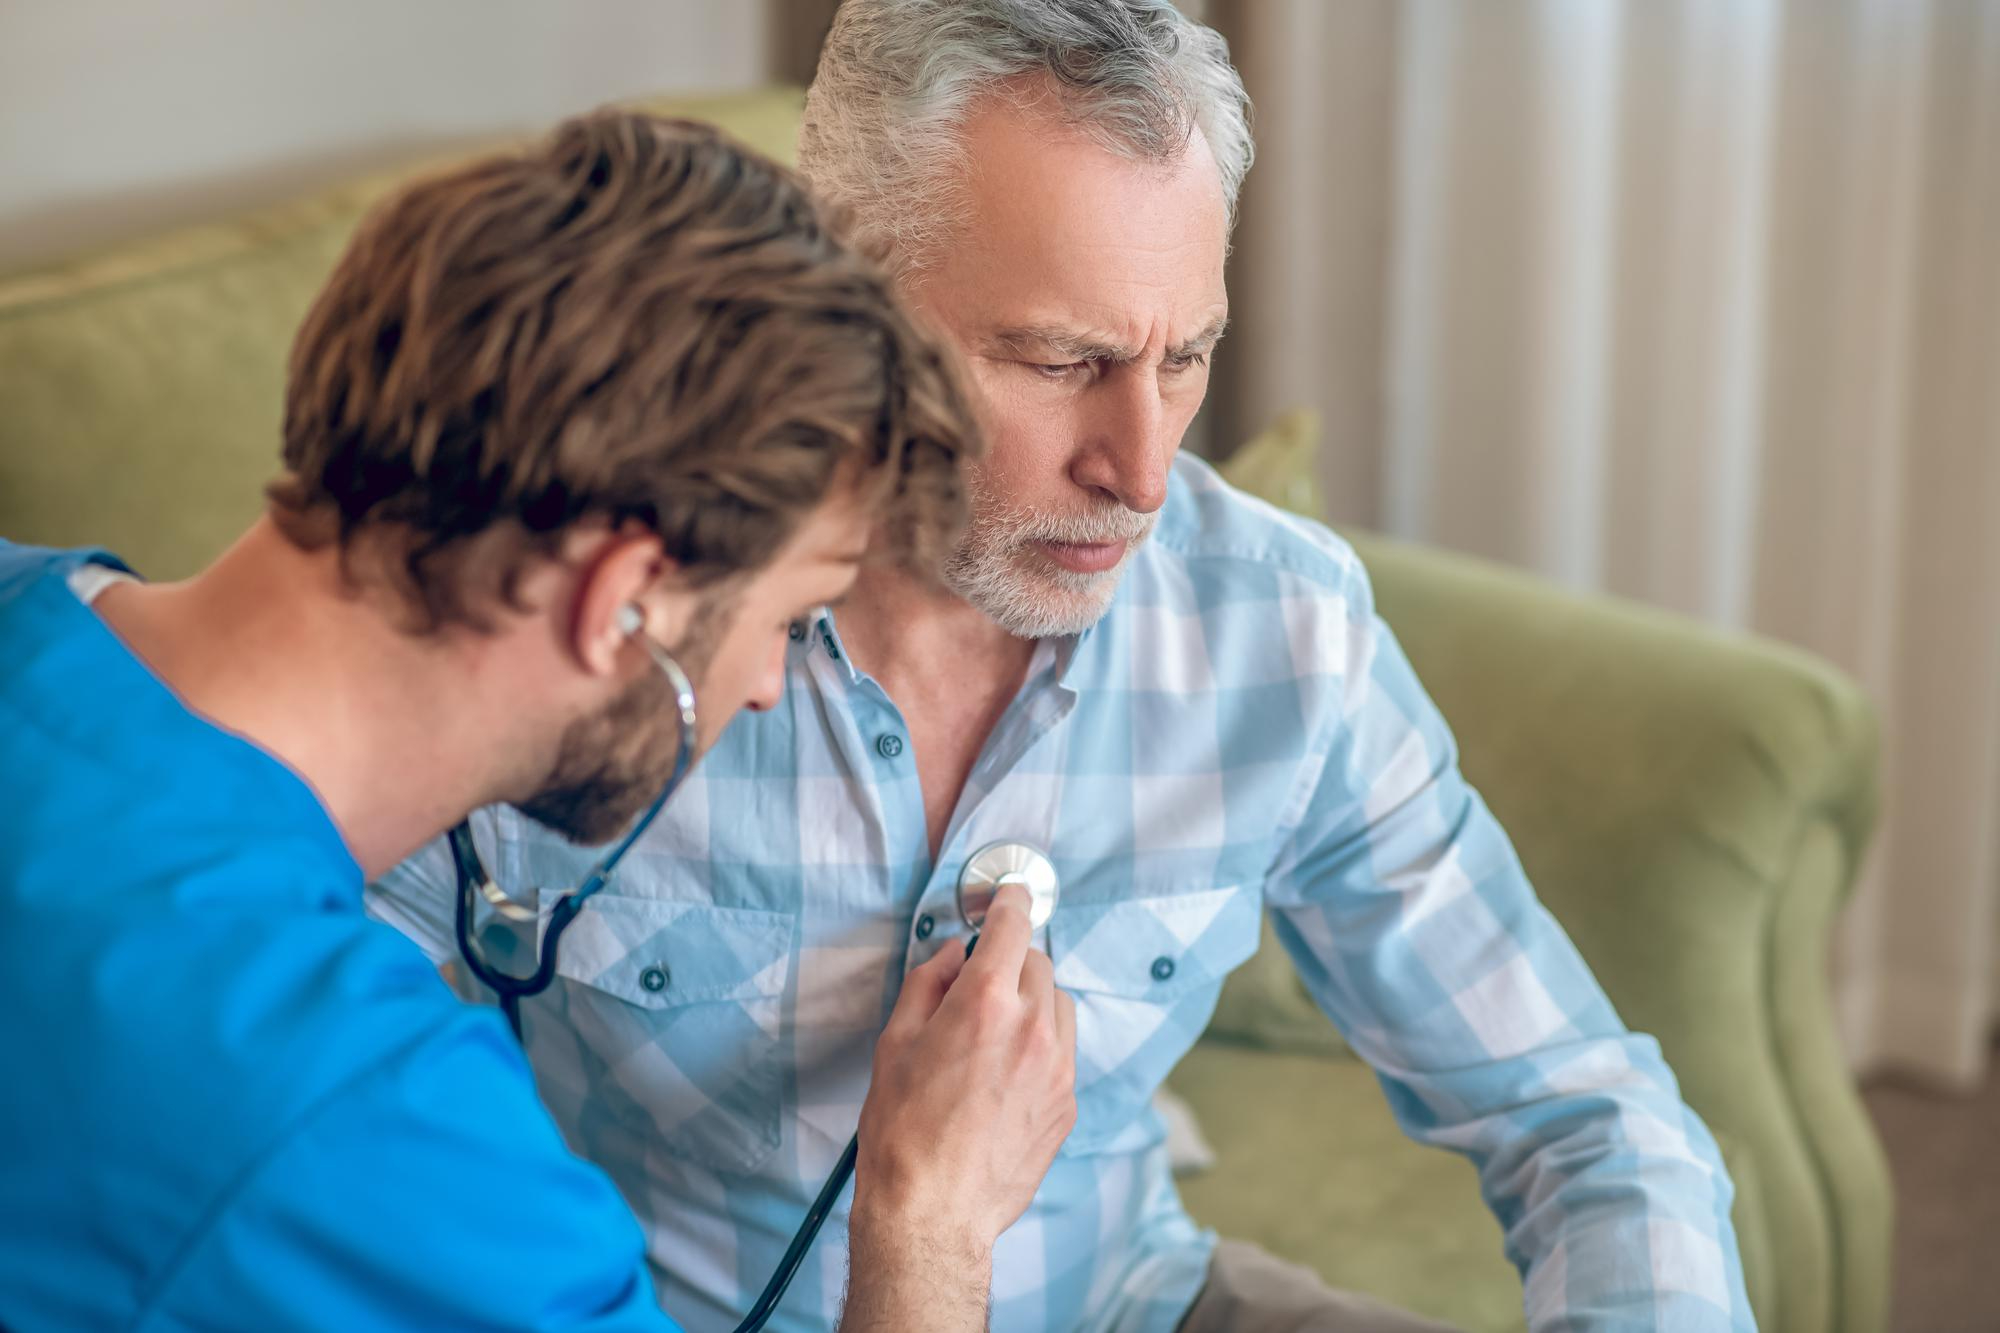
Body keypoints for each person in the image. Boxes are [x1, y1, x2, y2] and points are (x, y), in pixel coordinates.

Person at [373, 5, 1757, 1332]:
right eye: (1059, 359)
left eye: (1188, 356)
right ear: (839, 290)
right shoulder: (594, 616)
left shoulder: (1282, 629)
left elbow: (1584, 1113)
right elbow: (287, 1103)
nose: (1141, 470)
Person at [0, 110, 1080, 1333]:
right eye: (794, 612)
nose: (774, 683)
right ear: (619, 605)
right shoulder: (373, 1128)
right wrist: (930, 1223)